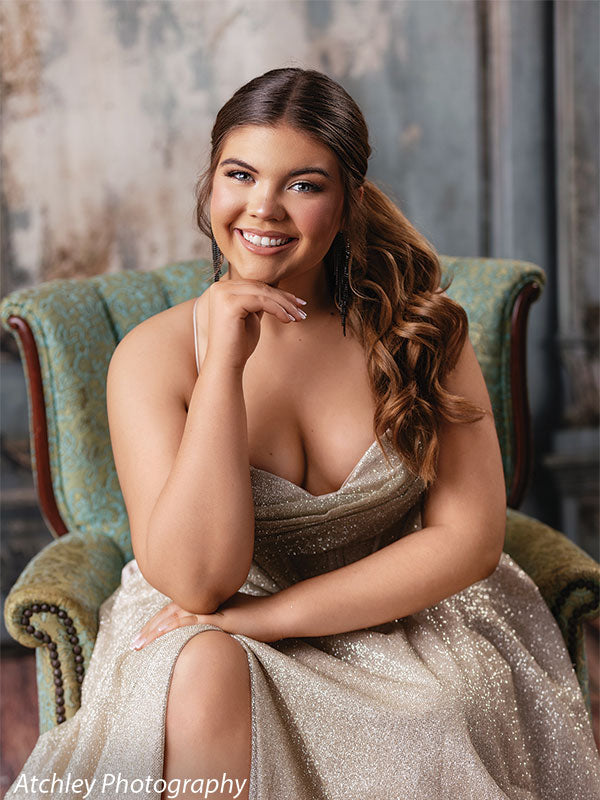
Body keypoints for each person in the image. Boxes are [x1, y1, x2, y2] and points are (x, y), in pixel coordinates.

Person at [6, 67, 600, 800]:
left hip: (391, 613)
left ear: (349, 199)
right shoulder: (150, 358)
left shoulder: (421, 331)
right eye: (240, 174)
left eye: (303, 184)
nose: (263, 207)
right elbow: (198, 583)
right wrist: (223, 364)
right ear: (210, 183)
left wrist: (274, 618)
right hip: (210, 615)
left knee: (432, 709)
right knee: (201, 665)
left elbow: (468, 541)